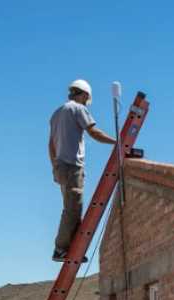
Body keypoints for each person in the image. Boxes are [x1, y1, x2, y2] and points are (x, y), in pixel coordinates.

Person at [48, 79, 116, 262]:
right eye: (87, 99)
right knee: (72, 208)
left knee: (72, 207)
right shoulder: (78, 109)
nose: (87, 103)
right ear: (85, 95)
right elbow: (94, 133)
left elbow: (51, 145)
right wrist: (116, 142)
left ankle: (72, 248)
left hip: (61, 166)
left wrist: (55, 166)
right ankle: (61, 249)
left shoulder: (57, 113)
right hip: (71, 166)